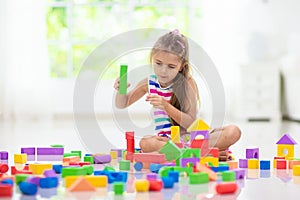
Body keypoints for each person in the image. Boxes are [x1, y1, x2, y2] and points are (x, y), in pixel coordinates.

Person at [114, 29, 241, 161]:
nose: (163, 71)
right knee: (146, 143)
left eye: (171, 66)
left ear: (181, 66)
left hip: (194, 138)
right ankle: (201, 154)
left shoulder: (188, 83)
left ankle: (185, 154)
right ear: (152, 59)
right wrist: (120, 90)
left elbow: (191, 123)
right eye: (158, 63)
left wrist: (166, 106)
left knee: (233, 131)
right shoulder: (149, 83)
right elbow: (122, 104)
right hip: (169, 141)